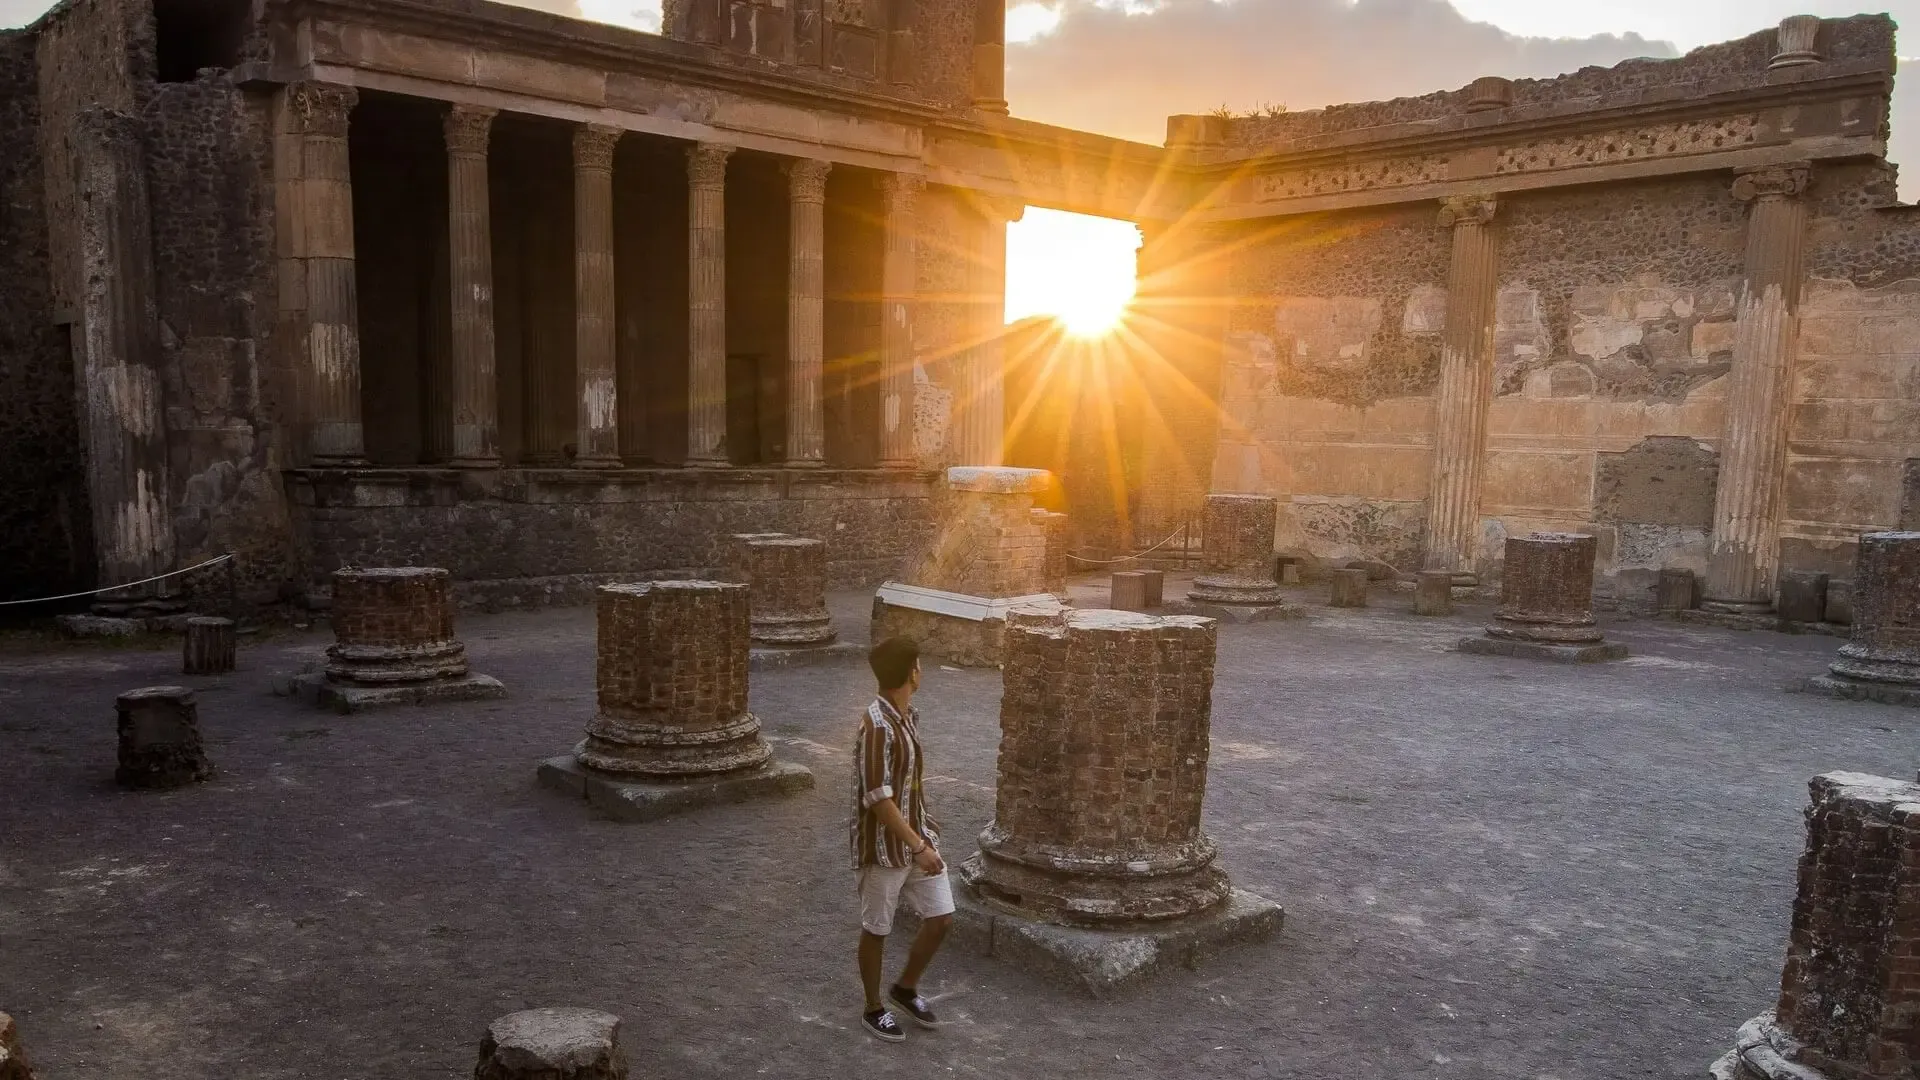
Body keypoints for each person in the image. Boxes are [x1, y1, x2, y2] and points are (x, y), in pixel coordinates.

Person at [849, 635, 952, 1042]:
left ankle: (905, 988)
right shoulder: (876, 725)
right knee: (877, 928)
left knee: (941, 917)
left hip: (915, 836)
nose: (921, 671)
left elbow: (907, 782)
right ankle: (873, 1008)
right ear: (911, 673)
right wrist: (919, 846)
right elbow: (877, 797)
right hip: (882, 848)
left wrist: (924, 825)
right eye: (919, 665)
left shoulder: (908, 716)